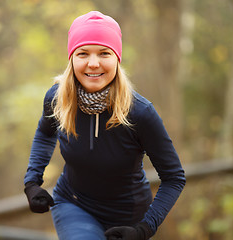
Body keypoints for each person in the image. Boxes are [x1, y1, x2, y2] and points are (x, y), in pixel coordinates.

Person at [24, 11, 186, 240]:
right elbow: (44, 133)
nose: (93, 63)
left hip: (131, 219)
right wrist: (32, 182)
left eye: (103, 53)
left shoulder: (140, 112)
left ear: (116, 59)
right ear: (72, 59)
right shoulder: (57, 99)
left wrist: (144, 229)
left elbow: (174, 178)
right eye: (82, 53)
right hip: (73, 204)